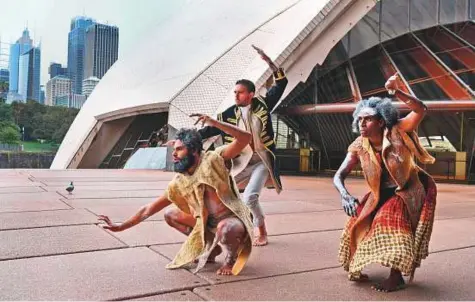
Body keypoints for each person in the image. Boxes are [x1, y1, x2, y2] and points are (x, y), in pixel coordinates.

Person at [98, 113, 254, 276]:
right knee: (170, 214)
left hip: (231, 220)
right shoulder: (179, 182)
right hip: (207, 224)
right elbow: (148, 209)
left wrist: (215, 123)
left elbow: (245, 138)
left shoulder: (214, 159)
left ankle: (231, 258)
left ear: (194, 150)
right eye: (174, 149)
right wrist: (121, 226)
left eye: (179, 149)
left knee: (225, 228)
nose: (174, 154)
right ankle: (211, 249)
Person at [333, 74, 437, 292]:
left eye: (368, 119)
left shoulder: (398, 131)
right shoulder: (359, 145)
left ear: (381, 121)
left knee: (390, 222)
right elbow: (339, 175)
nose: (362, 123)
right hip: (378, 193)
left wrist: (396, 91)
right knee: (355, 226)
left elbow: (421, 110)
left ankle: (396, 276)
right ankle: (358, 265)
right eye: (360, 119)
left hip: (406, 190)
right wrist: (345, 194)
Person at [198, 45, 288, 246]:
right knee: (220, 194)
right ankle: (217, 233)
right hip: (240, 162)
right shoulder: (230, 113)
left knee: (250, 198)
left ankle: (258, 230)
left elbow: (281, 82)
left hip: (262, 161)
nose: (236, 96)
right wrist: (187, 139)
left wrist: (269, 61)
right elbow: (210, 130)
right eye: (235, 92)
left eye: (240, 93)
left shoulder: (263, 104)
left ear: (251, 94)